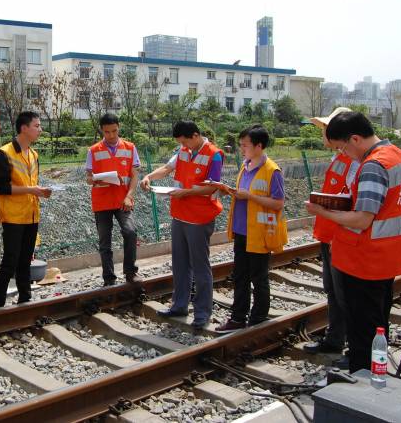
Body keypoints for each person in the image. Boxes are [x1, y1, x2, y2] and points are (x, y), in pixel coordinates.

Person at [306, 111, 401, 373]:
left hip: (364, 260)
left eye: (342, 147)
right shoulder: (397, 155)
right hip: (386, 257)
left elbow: (362, 219)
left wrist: (320, 211)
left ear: (355, 138)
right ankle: (374, 369)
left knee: (361, 328)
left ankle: (362, 379)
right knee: (377, 322)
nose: (344, 154)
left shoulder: (372, 165)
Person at [141, 120, 224, 330]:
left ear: (195, 135)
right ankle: (179, 305)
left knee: (200, 266)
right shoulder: (184, 151)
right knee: (179, 263)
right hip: (179, 215)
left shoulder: (214, 154)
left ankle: (203, 313)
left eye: (185, 142)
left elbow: (211, 187)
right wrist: (149, 176)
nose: (183, 147)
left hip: (200, 217)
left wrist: (185, 192)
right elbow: (168, 168)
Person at [216, 124, 287, 333]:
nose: (241, 149)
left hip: (260, 232)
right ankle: (238, 318)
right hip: (241, 230)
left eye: (244, 145)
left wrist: (250, 196)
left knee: (259, 277)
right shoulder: (245, 166)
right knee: (240, 276)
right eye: (240, 145)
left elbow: (278, 203)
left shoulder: (272, 171)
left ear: (258, 146)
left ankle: (258, 318)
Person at [303, 107, 357, 357]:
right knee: (333, 290)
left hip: (340, 236)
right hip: (328, 234)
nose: (323, 133)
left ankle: (349, 344)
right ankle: (335, 338)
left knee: (344, 293)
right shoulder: (339, 158)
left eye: (326, 128)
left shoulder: (356, 162)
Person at [0, 111, 51, 308]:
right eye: (37, 126)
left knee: (26, 261)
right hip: (13, 217)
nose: (40, 130)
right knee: (10, 262)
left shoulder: (33, 154)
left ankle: (25, 300)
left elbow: (31, 183)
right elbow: (0, 187)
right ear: (24, 128)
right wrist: (32, 190)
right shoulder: (4, 153)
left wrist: (39, 192)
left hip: (31, 215)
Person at [87, 113, 141, 286]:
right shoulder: (93, 150)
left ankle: (131, 272)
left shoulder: (130, 147)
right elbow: (89, 177)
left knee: (130, 232)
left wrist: (129, 196)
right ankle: (109, 278)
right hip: (102, 202)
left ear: (119, 128)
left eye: (114, 131)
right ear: (102, 130)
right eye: (107, 132)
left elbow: (134, 176)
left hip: (122, 200)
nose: (111, 135)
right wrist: (95, 178)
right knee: (105, 241)